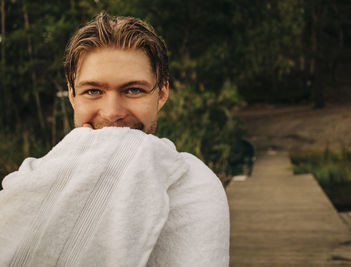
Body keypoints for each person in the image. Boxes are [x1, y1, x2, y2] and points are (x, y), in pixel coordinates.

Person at [0, 12, 229, 266]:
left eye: (133, 90)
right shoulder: (29, 185)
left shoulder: (195, 190)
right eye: (93, 91)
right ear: (72, 95)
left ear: (162, 94)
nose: (112, 113)